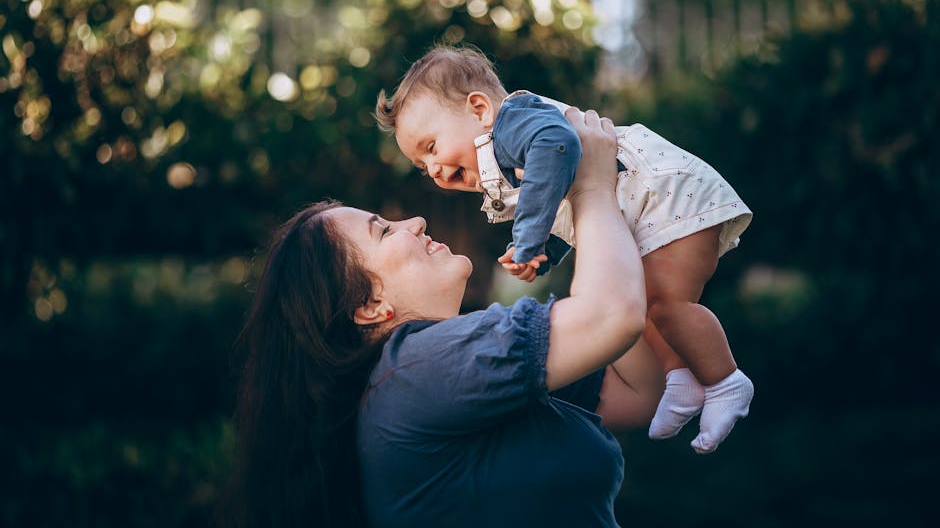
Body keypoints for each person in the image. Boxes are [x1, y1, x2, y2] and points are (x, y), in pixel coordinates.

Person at [223, 109, 664, 528]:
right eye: (384, 230)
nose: (414, 221)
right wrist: (591, 189)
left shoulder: (446, 368)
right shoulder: (413, 371)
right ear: (368, 306)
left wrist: (602, 209)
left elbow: (638, 391)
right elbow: (612, 316)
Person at [374, 44, 755, 454]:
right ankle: (681, 380)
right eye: (421, 166)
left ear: (480, 108)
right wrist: (543, 253)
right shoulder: (511, 153)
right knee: (646, 303)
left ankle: (726, 383)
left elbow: (559, 144)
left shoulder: (512, 125)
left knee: (666, 305)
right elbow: (564, 202)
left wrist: (528, 235)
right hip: (647, 209)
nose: (432, 171)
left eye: (431, 147)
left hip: (669, 196)